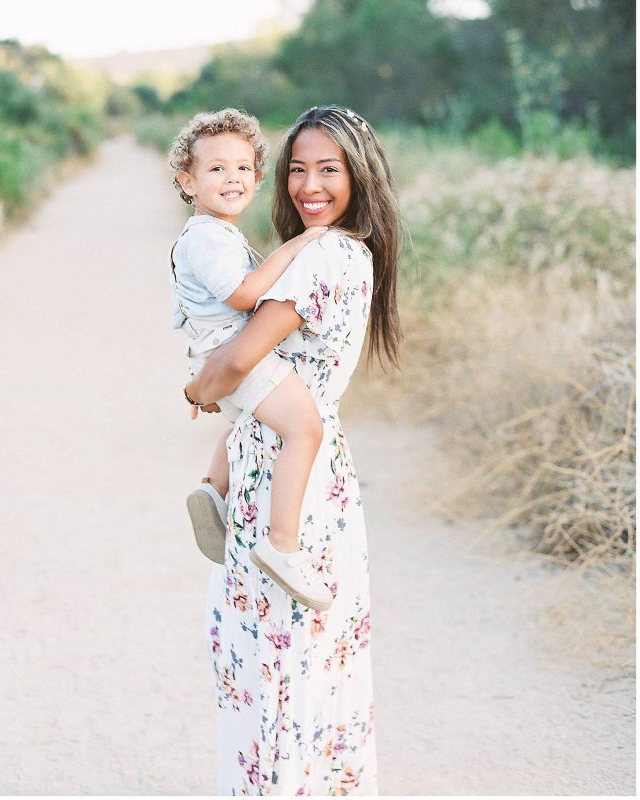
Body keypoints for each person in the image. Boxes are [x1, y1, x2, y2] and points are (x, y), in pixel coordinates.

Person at [184, 104, 403, 795]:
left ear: (358, 176)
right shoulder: (353, 251)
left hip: (283, 479)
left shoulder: (321, 254)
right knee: (312, 677)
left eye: (328, 170)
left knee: (273, 682)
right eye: (298, 169)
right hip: (309, 469)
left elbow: (233, 364)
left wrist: (199, 384)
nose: (309, 185)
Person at [169, 107, 340, 611]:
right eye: (216, 168)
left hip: (216, 350)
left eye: (243, 168)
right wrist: (297, 247)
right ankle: (282, 544)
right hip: (233, 351)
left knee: (247, 424)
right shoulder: (205, 236)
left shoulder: (215, 232)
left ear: (259, 177)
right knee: (305, 428)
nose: (232, 178)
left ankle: (213, 489)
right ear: (188, 180)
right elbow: (244, 295)